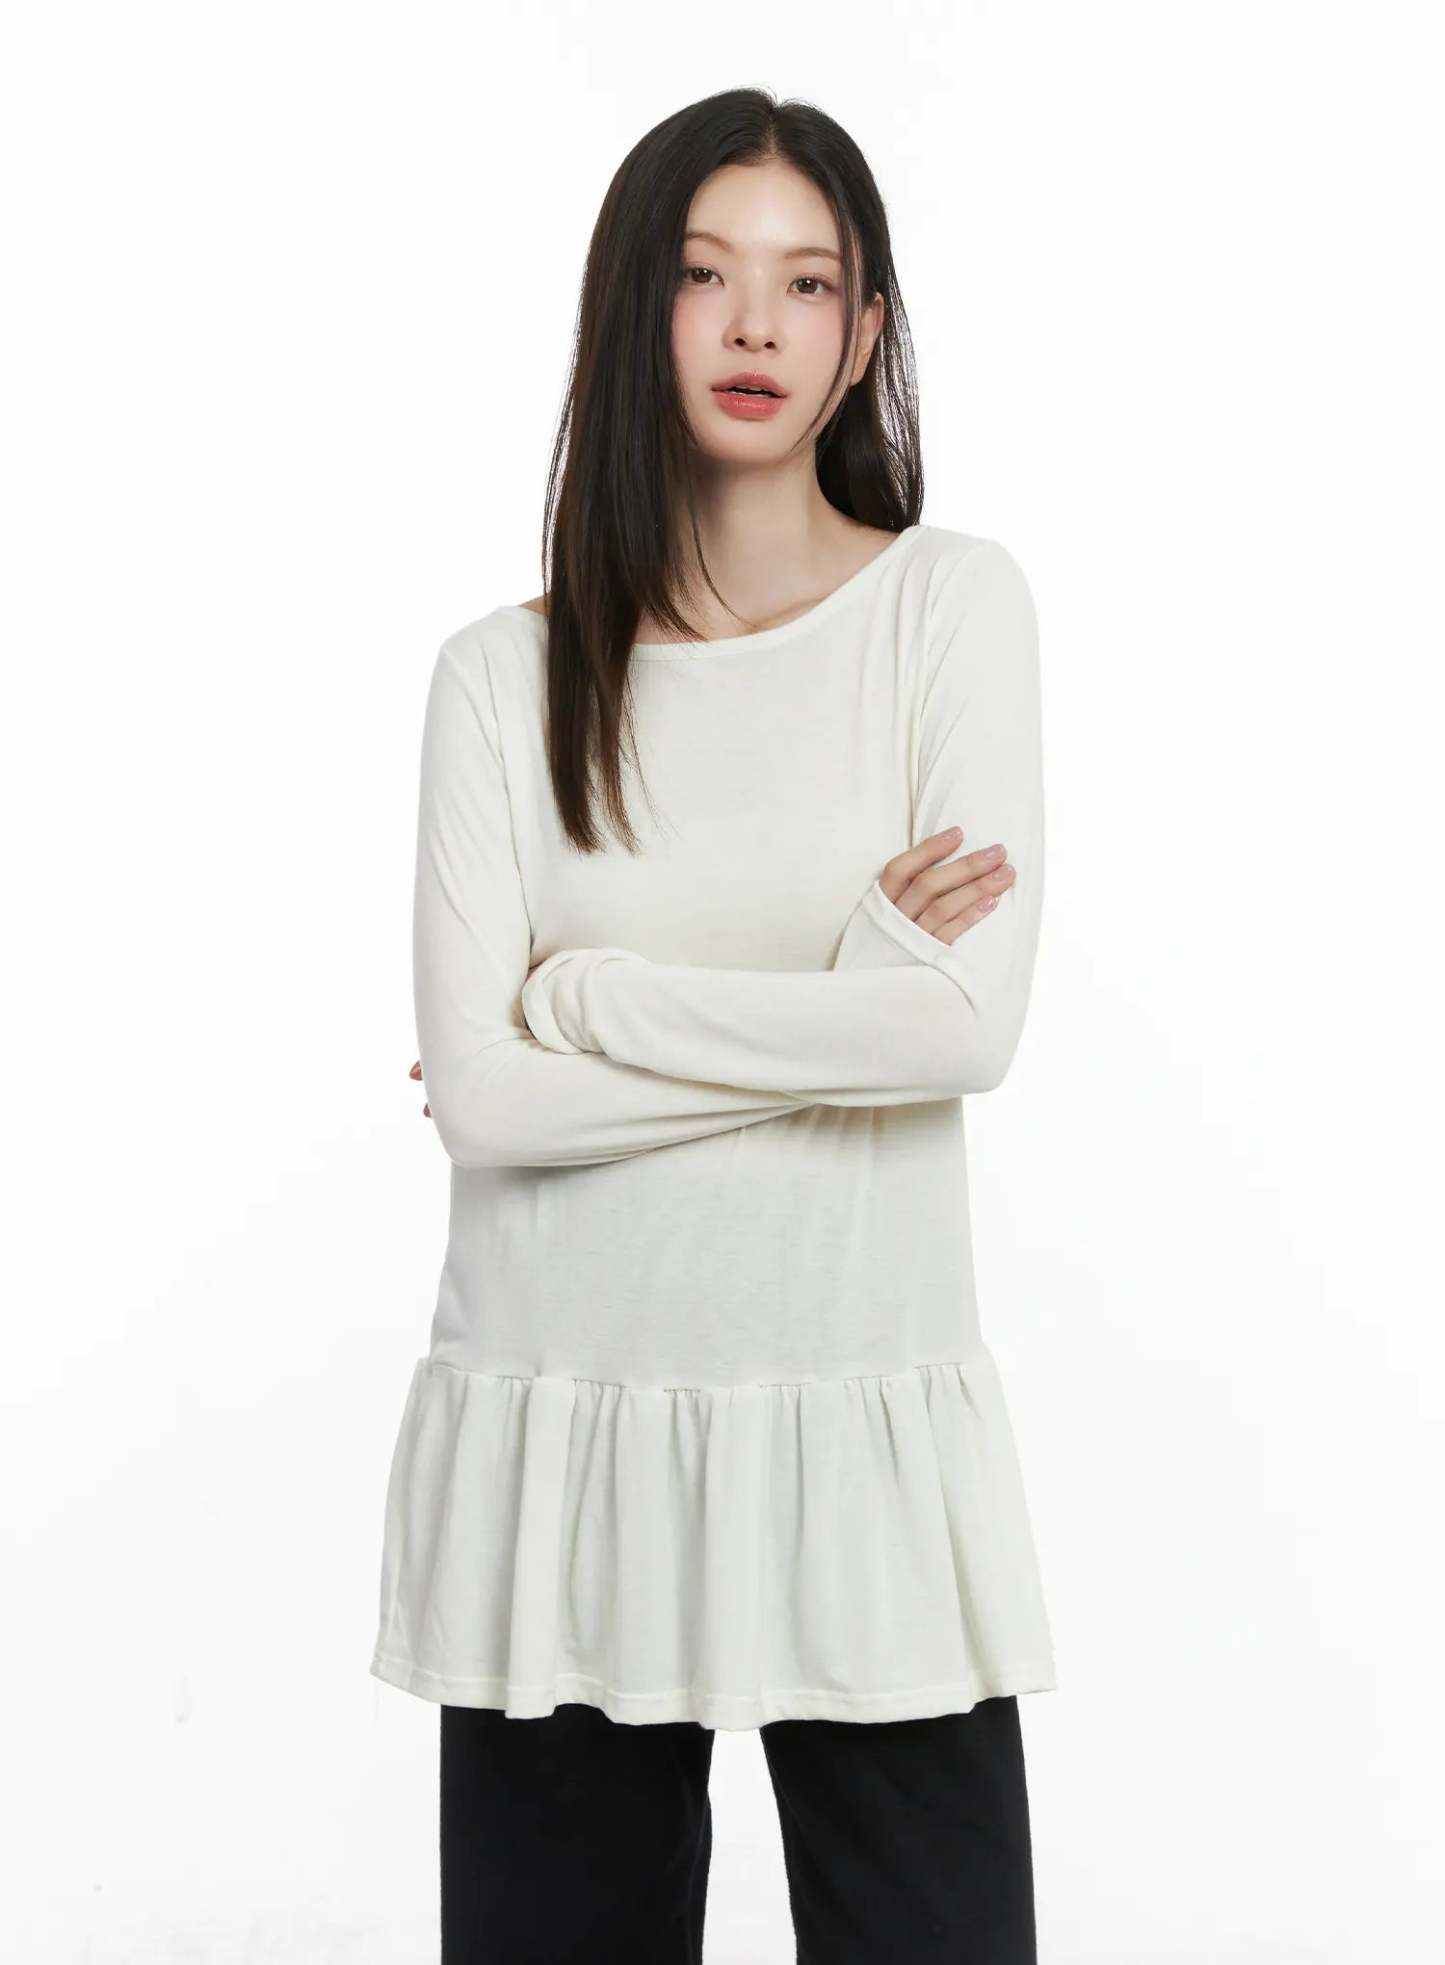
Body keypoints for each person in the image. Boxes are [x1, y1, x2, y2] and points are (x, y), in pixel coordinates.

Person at [373, 85, 1056, 1964]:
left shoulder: (948, 611)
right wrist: (843, 999)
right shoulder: (499, 680)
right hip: (561, 1438)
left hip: (860, 1426)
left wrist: (586, 1003)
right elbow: (484, 1108)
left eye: (807, 282)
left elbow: (961, 1032)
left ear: (862, 332)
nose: (755, 323)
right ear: (634, 305)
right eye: (704, 273)